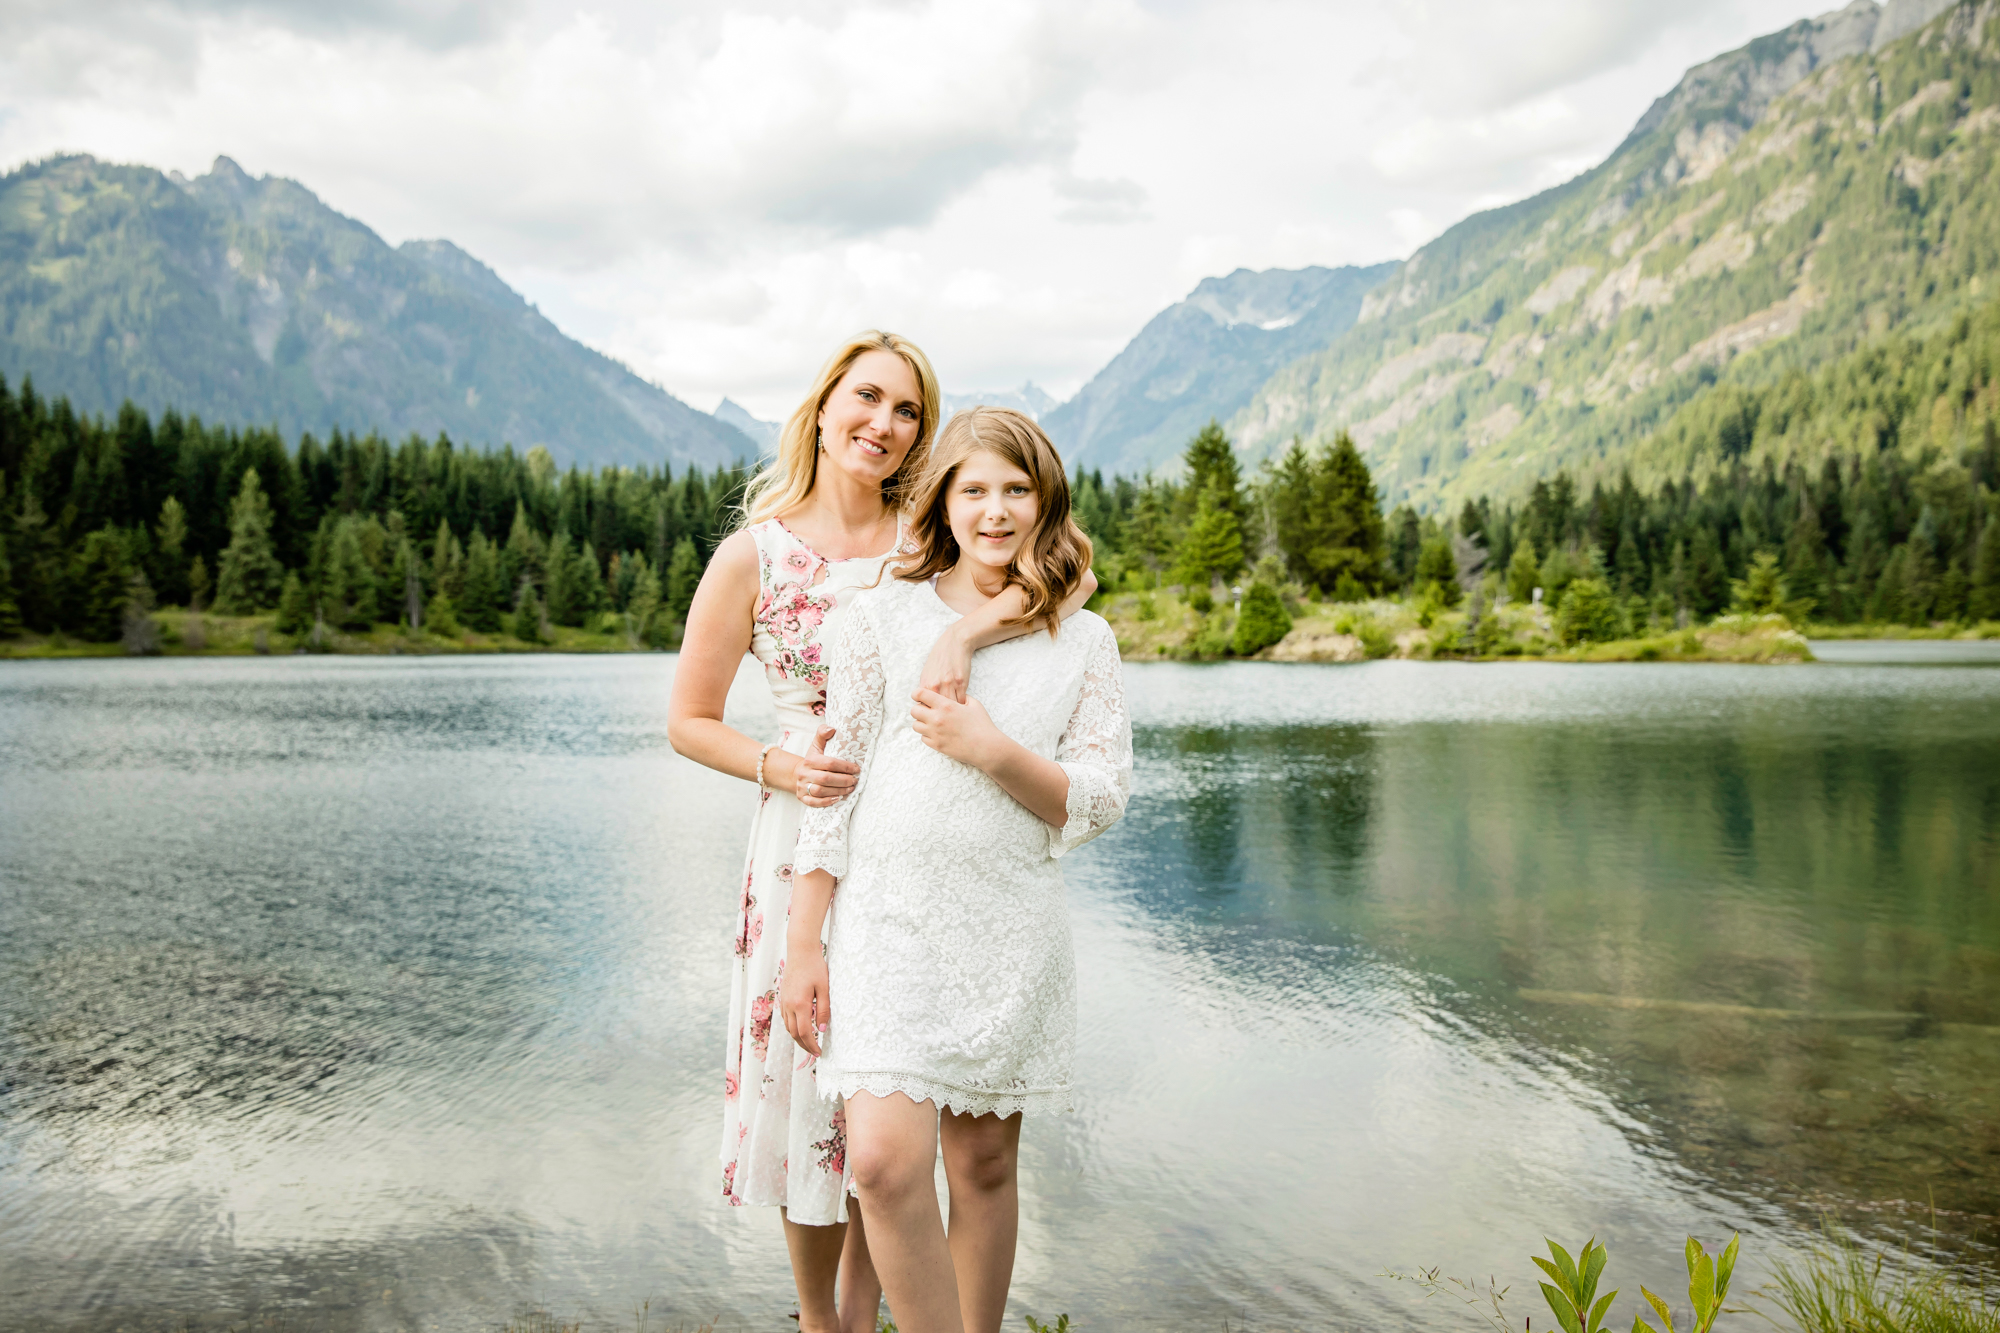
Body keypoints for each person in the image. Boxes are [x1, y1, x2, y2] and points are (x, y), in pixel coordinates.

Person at [667, 338, 1096, 1333]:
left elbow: (1066, 582)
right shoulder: (756, 553)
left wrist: (963, 633)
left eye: (908, 410)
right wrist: (781, 764)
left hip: (918, 848)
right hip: (805, 830)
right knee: (813, 1106)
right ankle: (825, 1322)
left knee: (895, 1120)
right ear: (823, 407)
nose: (885, 423)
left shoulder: (932, 530)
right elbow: (686, 718)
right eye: (868, 398)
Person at [783, 408, 1132, 1333]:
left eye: (1017, 489)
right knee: (882, 1166)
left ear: (1046, 498)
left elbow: (1097, 798)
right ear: (942, 497)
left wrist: (990, 748)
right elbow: (834, 788)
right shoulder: (878, 616)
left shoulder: (1084, 637)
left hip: (1006, 930)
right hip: (886, 926)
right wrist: (802, 944)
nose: (996, 510)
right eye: (974, 489)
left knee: (981, 1168)